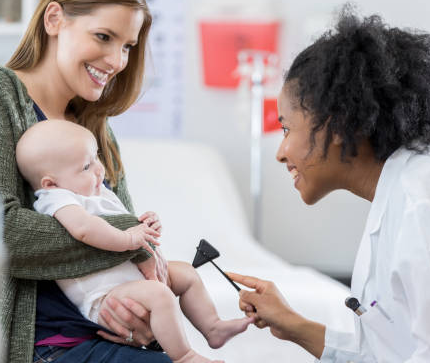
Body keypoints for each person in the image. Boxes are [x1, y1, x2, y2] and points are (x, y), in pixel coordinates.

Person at [227, 5, 430, 362]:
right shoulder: (401, 194)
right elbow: (391, 352)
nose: (280, 152)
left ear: (337, 125)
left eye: (286, 128)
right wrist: (293, 325)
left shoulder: (425, 202)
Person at [0, 0, 181, 363]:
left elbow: (122, 242)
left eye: (127, 46)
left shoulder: (96, 127)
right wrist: (131, 242)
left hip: (104, 338)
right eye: (104, 37)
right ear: (54, 19)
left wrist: (136, 313)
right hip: (43, 348)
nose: (116, 61)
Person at [15, 119, 253, 363]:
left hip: (131, 280)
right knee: (160, 295)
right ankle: (185, 356)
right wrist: (130, 239)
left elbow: (125, 219)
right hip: (105, 297)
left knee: (187, 274)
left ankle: (212, 327)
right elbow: (84, 229)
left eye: (96, 157)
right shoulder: (54, 198)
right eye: (86, 166)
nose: (99, 169)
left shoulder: (96, 190)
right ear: (50, 182)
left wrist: (146, 223)